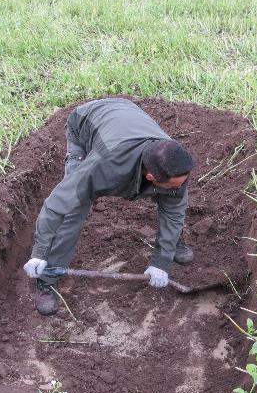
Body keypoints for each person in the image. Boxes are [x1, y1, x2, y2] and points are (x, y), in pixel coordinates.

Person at [23, 98, 195, 316]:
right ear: (150, 177)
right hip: (86, 124)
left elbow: (174, 211)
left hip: (126, 115)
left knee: (174, 204)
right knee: (73, 213)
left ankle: (173, 243)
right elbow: (57, 205)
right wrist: (39, 253)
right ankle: (47, 278)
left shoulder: (172, 161)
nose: (181, 187)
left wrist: (161, 262)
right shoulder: (102, 167)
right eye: (174, 185)